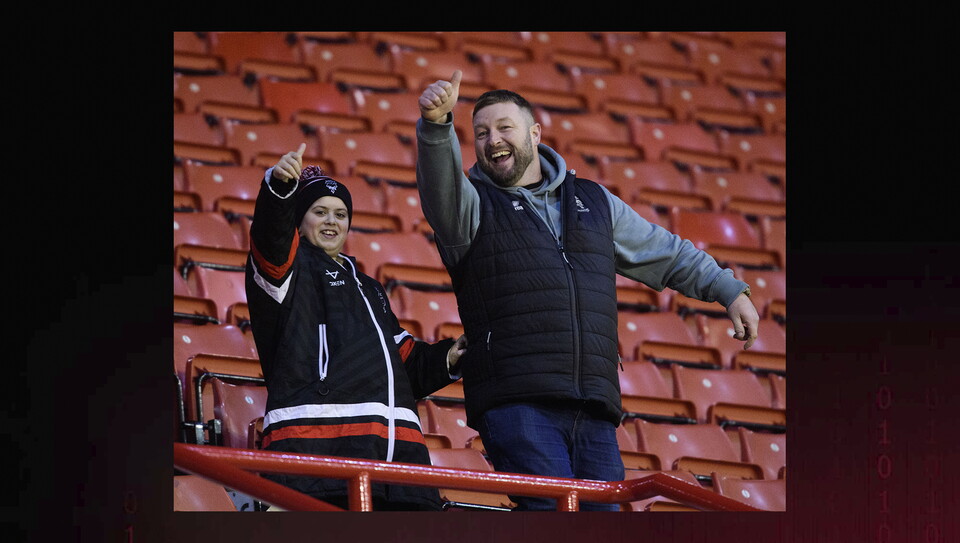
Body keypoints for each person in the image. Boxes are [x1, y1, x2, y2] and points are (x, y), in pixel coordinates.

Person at [415, 71, 760, 511]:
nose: (492, 140)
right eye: (480, 133)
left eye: (504, 128)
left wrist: (730, 291)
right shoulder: (470, 206)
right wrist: (436, 125)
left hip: (594, 406)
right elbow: (439, 188)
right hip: (518, 403)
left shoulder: (595, 202)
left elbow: (668, 253)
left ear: (534, 134)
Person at [244, 143, 468, 511]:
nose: (333, 222)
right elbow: (271, 239)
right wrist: (279, 191)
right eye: (320, 212)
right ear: (299, 221)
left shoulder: (368, 286)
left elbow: (403, 364)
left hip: (396, 464)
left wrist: (450, 357)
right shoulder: (288, 271)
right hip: (318, 451)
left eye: (341, 214)